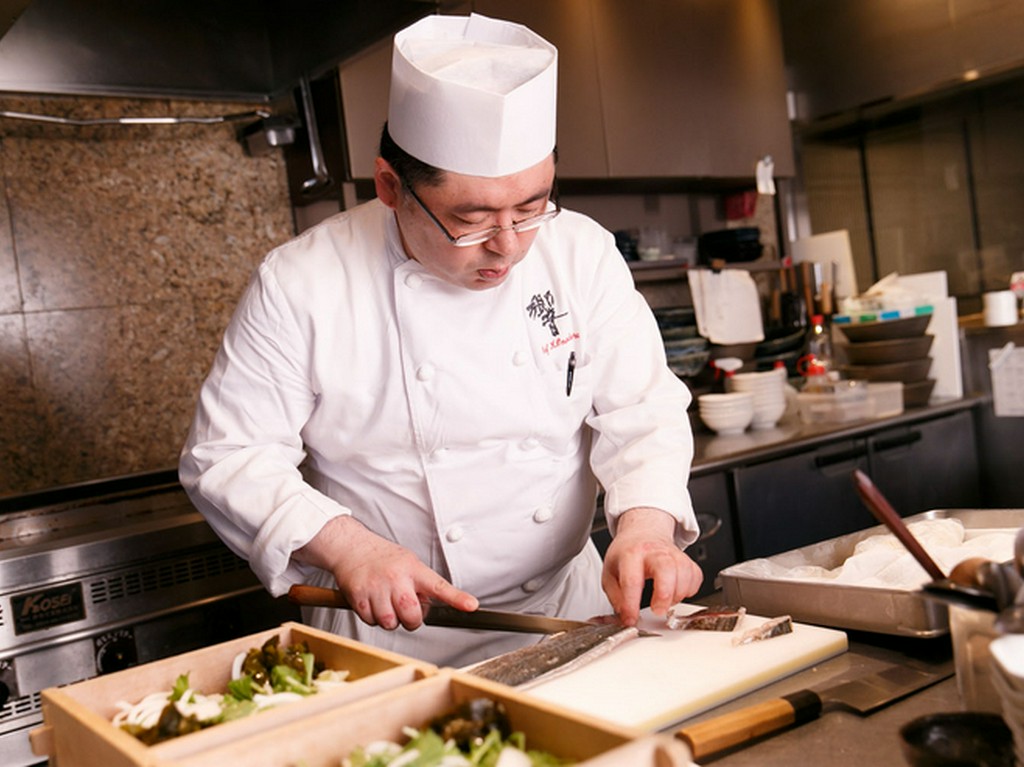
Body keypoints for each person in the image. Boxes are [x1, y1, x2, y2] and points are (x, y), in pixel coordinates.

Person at [179, 12, 702, 667]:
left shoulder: (582, 253)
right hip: (391, 639)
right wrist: (348, 547)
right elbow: (228, 454)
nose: (508, 247)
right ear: (391, 188)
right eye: (471, 219)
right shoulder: (302, 284)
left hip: (566, 615)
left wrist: (648, 527)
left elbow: (643, 408)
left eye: (532, 206)